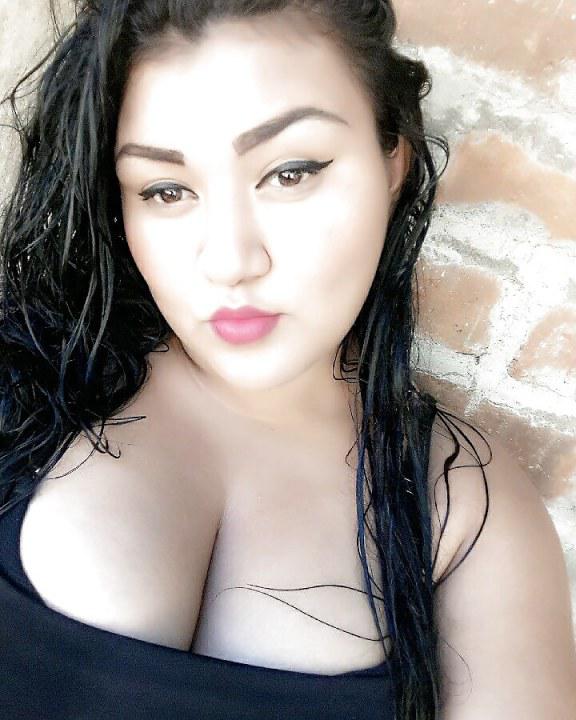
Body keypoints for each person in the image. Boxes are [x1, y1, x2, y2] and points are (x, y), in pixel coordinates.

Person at [0, 0, 574, 718]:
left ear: (393, 162)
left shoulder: (465, 509)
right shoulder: (25, 377)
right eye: (166, 190)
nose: (230, 260)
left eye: (291, 173)